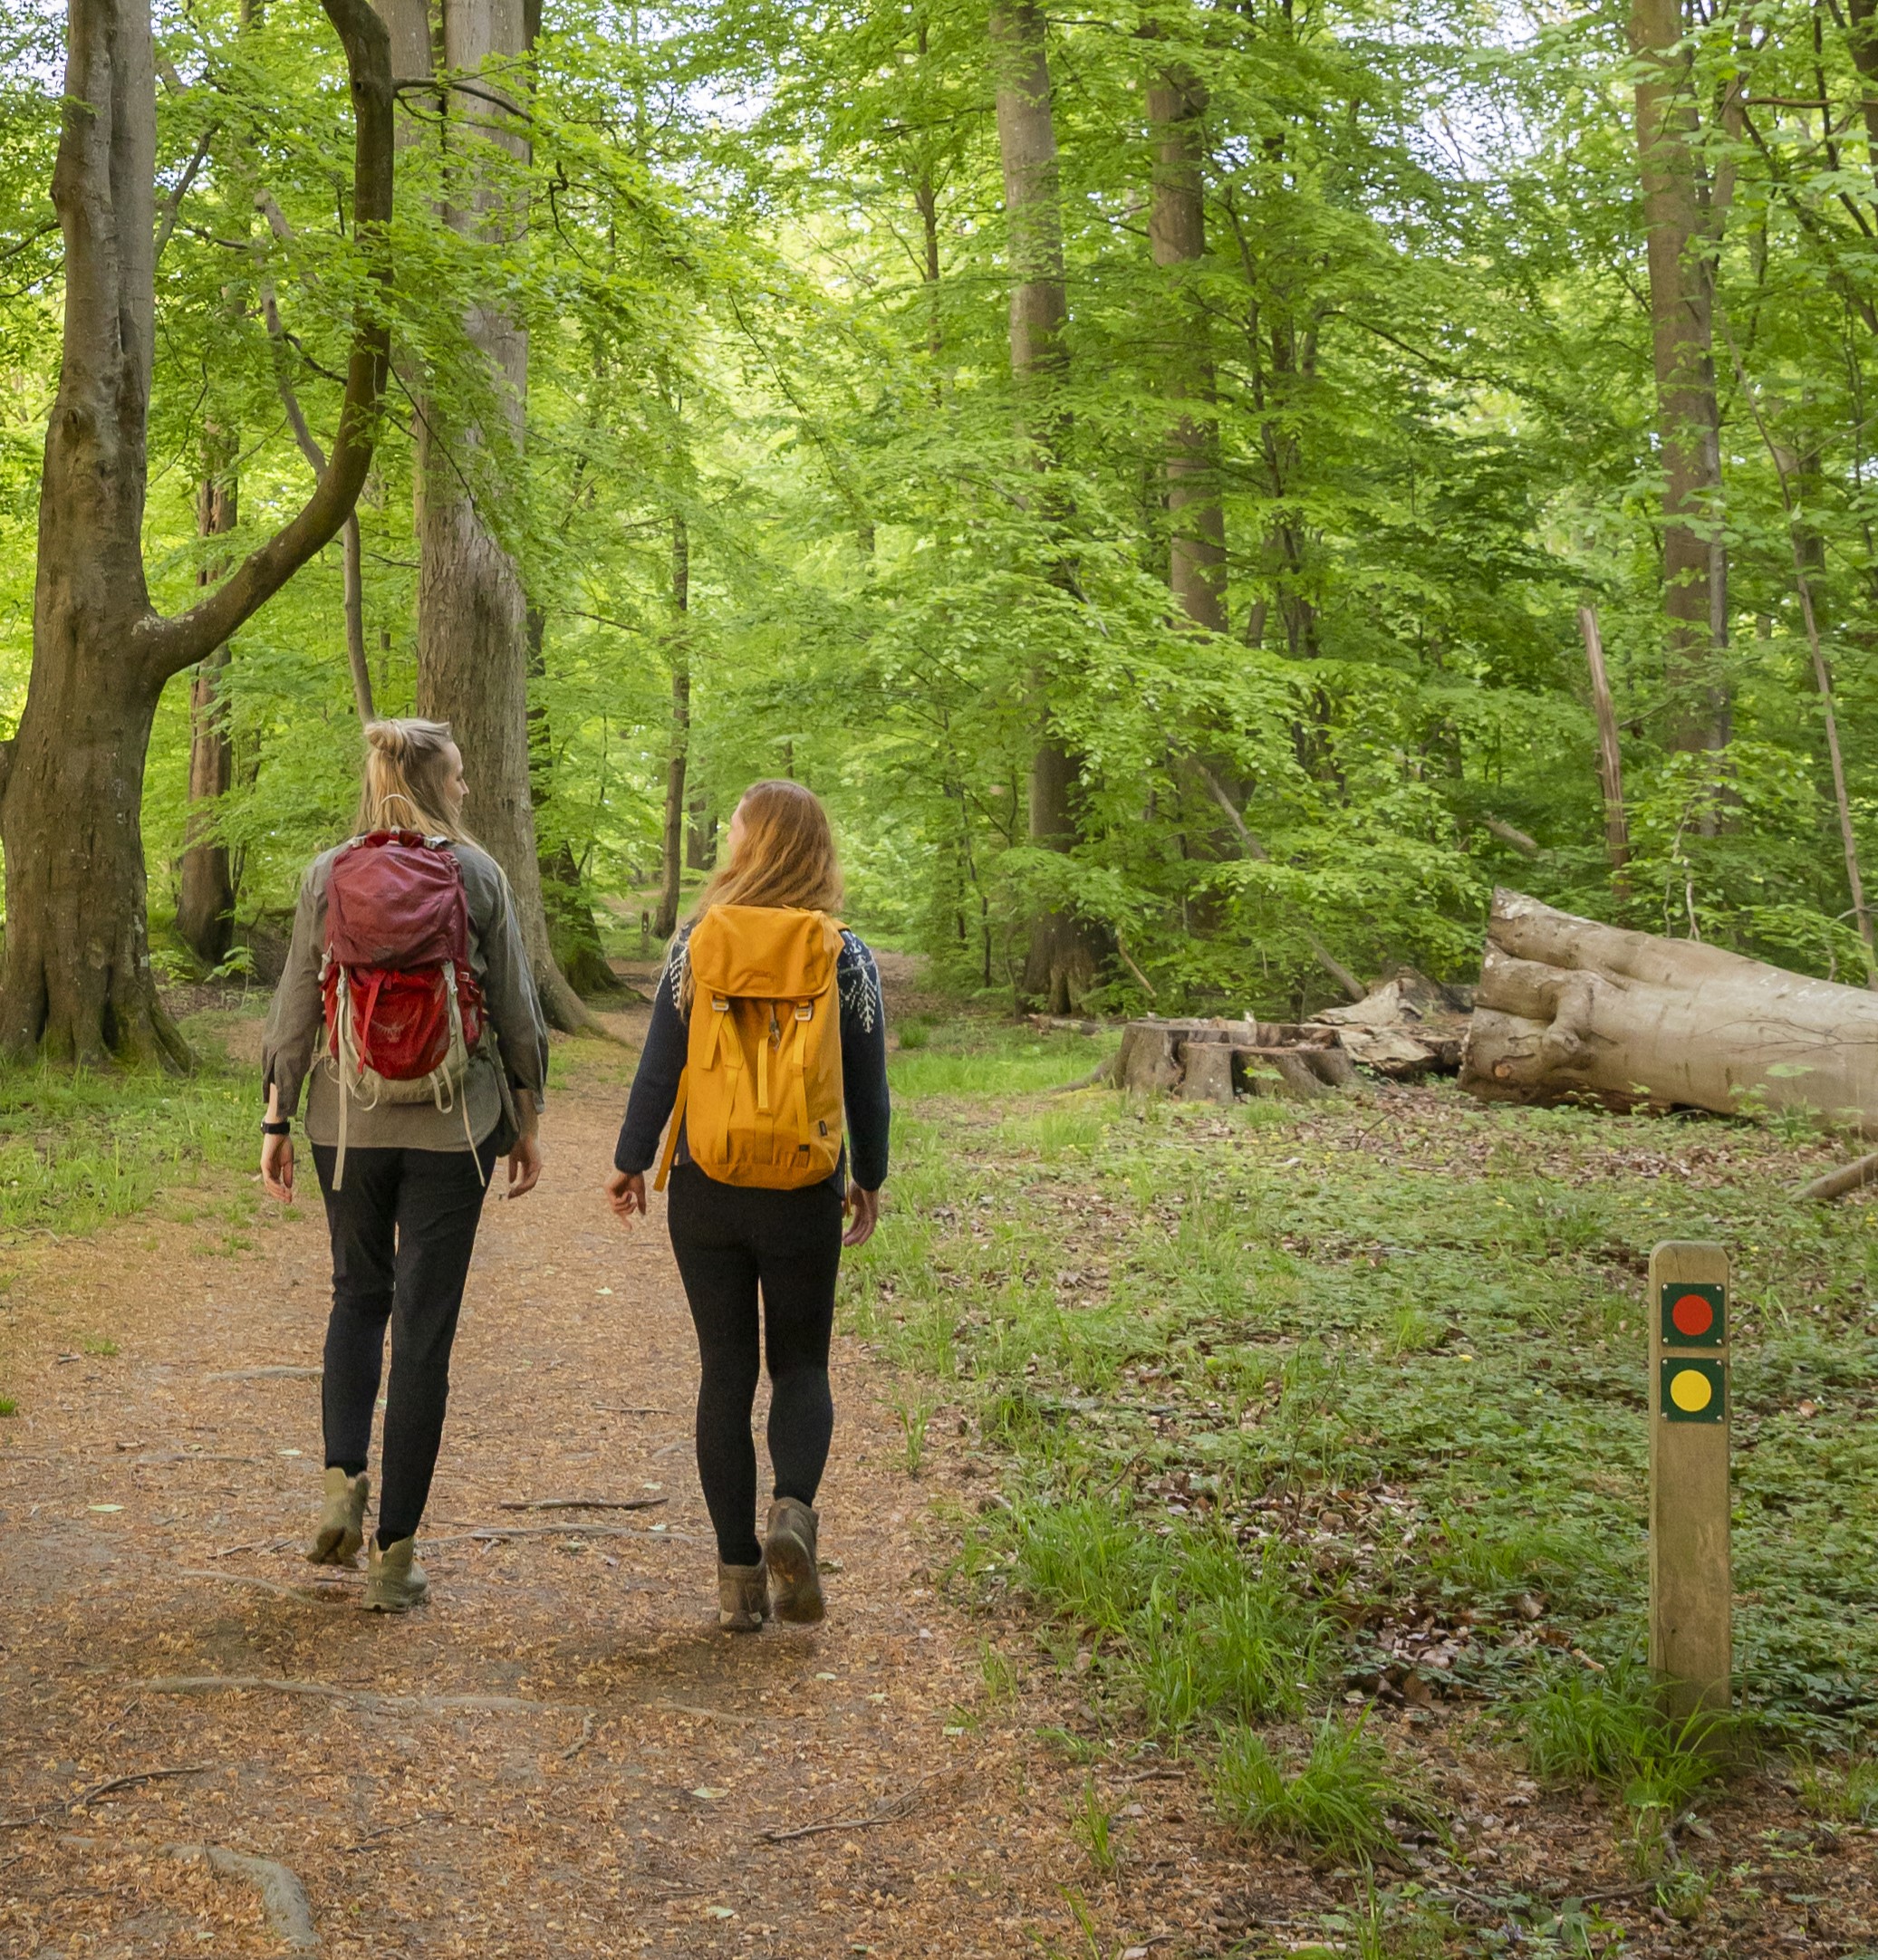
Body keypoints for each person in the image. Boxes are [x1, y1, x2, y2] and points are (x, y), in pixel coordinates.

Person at [260, 718, 548, 1611]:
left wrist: (277, 1114)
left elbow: (297, 1004)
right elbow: (517, 1009)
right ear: (431, 782)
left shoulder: (328, 872)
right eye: (456, 776)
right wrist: (527, 1116)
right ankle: (394, 1557)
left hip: (346, 1123)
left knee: (357, 1294)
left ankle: (343, 1478)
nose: (465, 789)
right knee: (424, 1332)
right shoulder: (478, 875)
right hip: (456, 1126)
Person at [607, 780, 890, 1632]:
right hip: (803, 1186)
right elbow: (868, 1085)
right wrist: (866, 1175)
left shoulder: (697, 944)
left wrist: (630, 1161)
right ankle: (792, 1513)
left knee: (724, 1373)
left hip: (708, 1184)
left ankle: (737, 1583)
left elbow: (660, 1063)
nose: (727, 839)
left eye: (734, 828)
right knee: (800, 1365)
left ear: (753, 846)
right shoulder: (846, 953)